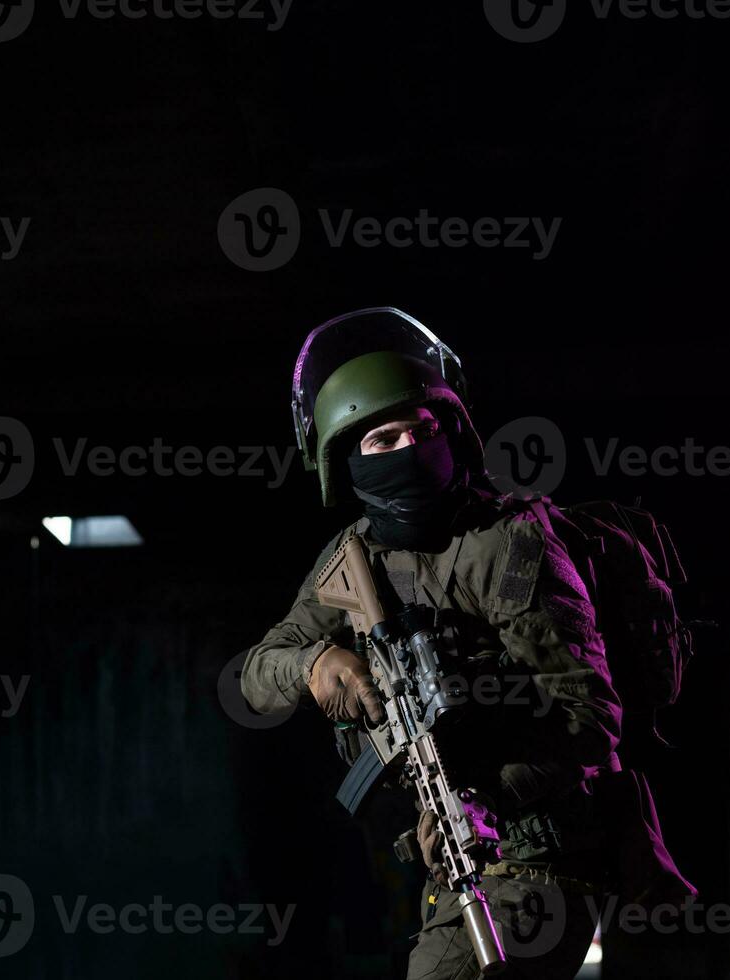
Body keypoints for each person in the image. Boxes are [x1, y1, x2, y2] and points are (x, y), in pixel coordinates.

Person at [240, 307, 694, 978]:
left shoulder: (510, 546)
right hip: (466, 860)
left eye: (421, 431)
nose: (407, 451)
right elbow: (255, 672)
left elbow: (591, 720)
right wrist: (314, 663)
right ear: (345, 460)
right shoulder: (352, 559)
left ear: (453, 430)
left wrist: (486, 800)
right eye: (382, 439)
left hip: (549, 856)